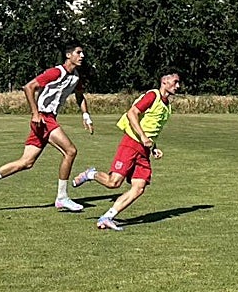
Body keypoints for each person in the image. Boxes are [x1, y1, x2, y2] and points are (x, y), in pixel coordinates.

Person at [0, 44, 94, 211]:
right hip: (44, 118)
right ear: (68, 55)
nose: (82, 56)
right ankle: (62, 197)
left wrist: (86, 116)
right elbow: (29, 87)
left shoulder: (75, 77)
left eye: (82, 53)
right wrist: (35, 113)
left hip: (48, 119)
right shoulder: (56, 72)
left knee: (26, 162)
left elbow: (80, 96)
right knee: (70, 151)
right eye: (78, 53)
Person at [73, 71, 180, 231]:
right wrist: (142, 136)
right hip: (131, 143)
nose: (178, 86)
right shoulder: (152, 96)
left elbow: (151, 126)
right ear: (164, 81)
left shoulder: (167, 106)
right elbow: (132, 113)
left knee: (139, 187)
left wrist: (154, 147)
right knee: (113, 183)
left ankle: (107, 217)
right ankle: (91, 174)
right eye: (175, 81)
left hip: (144, 150)